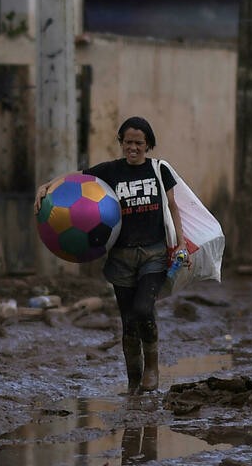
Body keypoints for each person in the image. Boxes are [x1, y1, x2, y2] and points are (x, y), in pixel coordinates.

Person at [34, 116, 186, 394]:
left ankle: (152, 365)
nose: (133, 148)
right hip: (120, 258)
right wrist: (47, 185)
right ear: (121, 143)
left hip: (153, 253)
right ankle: (133, 381)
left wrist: (182, 243)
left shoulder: (159, 170)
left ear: (148, 145)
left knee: (143, 310)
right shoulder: (111, 172)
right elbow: (77, 176)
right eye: (127, 142)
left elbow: (174, 206)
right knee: (128, 321)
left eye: (138, 143)